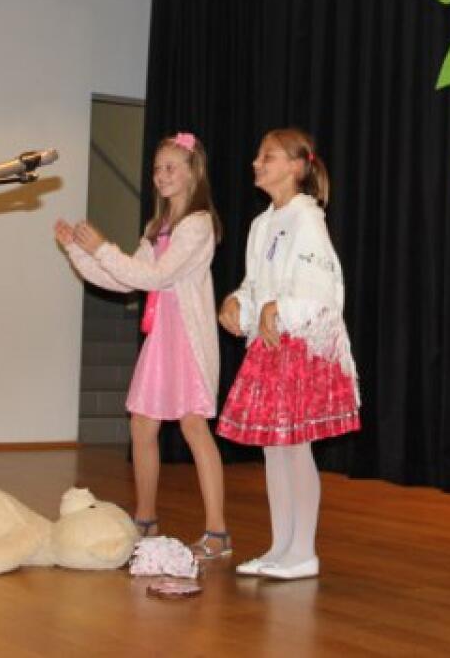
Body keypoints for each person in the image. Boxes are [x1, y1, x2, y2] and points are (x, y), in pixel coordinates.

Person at [55, 131, 231, 559]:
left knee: (193, 425)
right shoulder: (159, 227)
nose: (161, 175)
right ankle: (145, 519)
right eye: (157, 168)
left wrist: (103, 247)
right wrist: (79, 252)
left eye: (170, 167)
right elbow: (124, 279)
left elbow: (157, 277)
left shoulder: (197, 225)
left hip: (186, 339)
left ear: (193, 173)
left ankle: (217, 532)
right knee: (142, 426)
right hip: (161, 340)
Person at [217, 128, 360, 581]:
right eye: (259, 156)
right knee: (273, 450)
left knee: (296, 448)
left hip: (298, 346)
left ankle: (303, 551)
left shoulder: (307, 220)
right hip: (271, 346)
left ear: (296, 167)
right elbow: (256, 284)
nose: (257, 163)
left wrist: (282, 308)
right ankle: (280, 546)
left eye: (269, 157)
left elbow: (322, 291)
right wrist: (238, 302)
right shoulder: (262, 225)